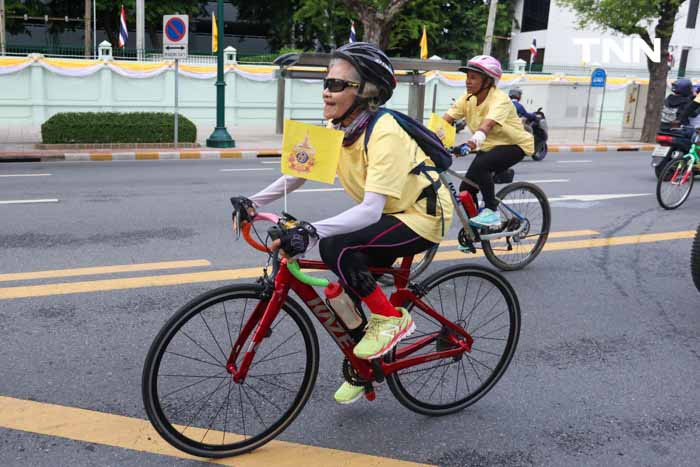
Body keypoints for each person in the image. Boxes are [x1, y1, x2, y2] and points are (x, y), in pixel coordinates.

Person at [231, 42, 453, 405]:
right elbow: (296, 176)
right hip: (389, 214)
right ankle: (363, 367)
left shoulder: (384, 131)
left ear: (364, 92)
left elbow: (368, 211)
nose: (326, 90)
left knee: (338, 246)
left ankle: (390, 319)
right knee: (342, 294)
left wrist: (311, 230)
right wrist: (254, 203)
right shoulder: (338, 128)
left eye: (336, 84)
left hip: (421, 216)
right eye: (326, 81)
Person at [442, 55, 534, 228]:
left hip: (514, 145)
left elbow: (487, 125)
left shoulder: (500, 100)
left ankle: (491, 212)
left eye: (473, 77)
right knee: (465, 190)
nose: (468, 81)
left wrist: (470, 144)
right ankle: (476, 229)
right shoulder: (467, 99)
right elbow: (444, 121)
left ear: (488, 81)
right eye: (467, 77)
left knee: (483, 165)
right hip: (488, 146)